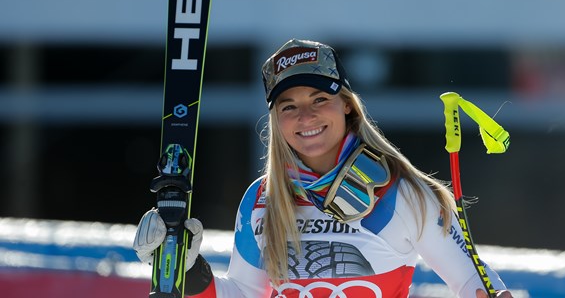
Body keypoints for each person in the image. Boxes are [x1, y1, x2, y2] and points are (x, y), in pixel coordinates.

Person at [134, 39, 513, 298]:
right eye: (289, 106)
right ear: (276, 121)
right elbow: (245, 292)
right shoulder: (262, 198)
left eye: (319, 99)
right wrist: (185, 269)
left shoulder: (403, 192)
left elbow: (470, 281)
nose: (306, 116)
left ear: (347, 104)